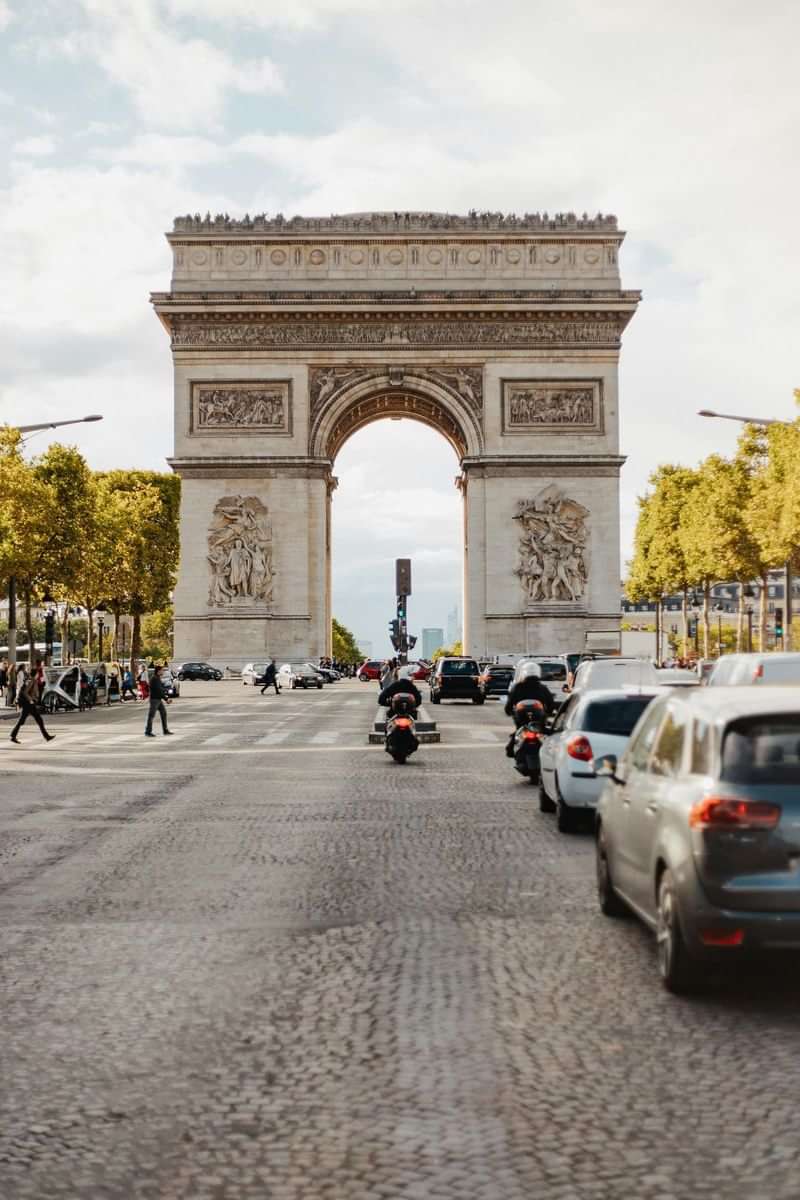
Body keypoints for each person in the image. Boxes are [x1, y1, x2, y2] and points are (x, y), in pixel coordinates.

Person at [10, 666, 55, 745]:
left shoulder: (29, 679)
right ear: (36, 674)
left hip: (28, 703)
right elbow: (25, 692)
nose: (38, 675)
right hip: (28, 703)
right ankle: (46, 736)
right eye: (37, 673)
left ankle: (13, 736)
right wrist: (31, 700)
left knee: (33, 720)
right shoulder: (32, 680)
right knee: (35, 720)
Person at [144, 664, 173, 738]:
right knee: (151, 716)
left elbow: (161, 689)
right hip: (154, 700)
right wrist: (166, 699)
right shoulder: (155, 679)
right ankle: (148, 731)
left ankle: (165, 730)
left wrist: (165, 693)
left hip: (158, 699)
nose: (163, 671)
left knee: (163, 713)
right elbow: (159, 690)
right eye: (162, 670)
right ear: (158, 671)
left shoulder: (157, 678)